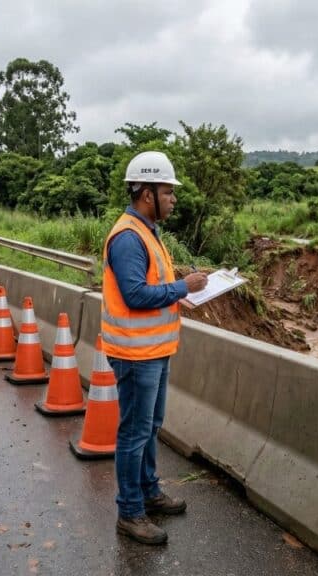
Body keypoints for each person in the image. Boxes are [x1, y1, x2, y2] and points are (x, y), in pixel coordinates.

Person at [101, 151, 208, 545]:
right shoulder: (129, 237)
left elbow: (152, 284)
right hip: (134, 354)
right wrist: (184, 287)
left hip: (155, 351)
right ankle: (129, 512)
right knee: (134, 433)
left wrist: (183, 287)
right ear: (147, 193)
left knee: (151, 427)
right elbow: (134, 294)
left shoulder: (148, 232)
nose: (173, 198)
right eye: (168, 191)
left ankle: (148, 491)